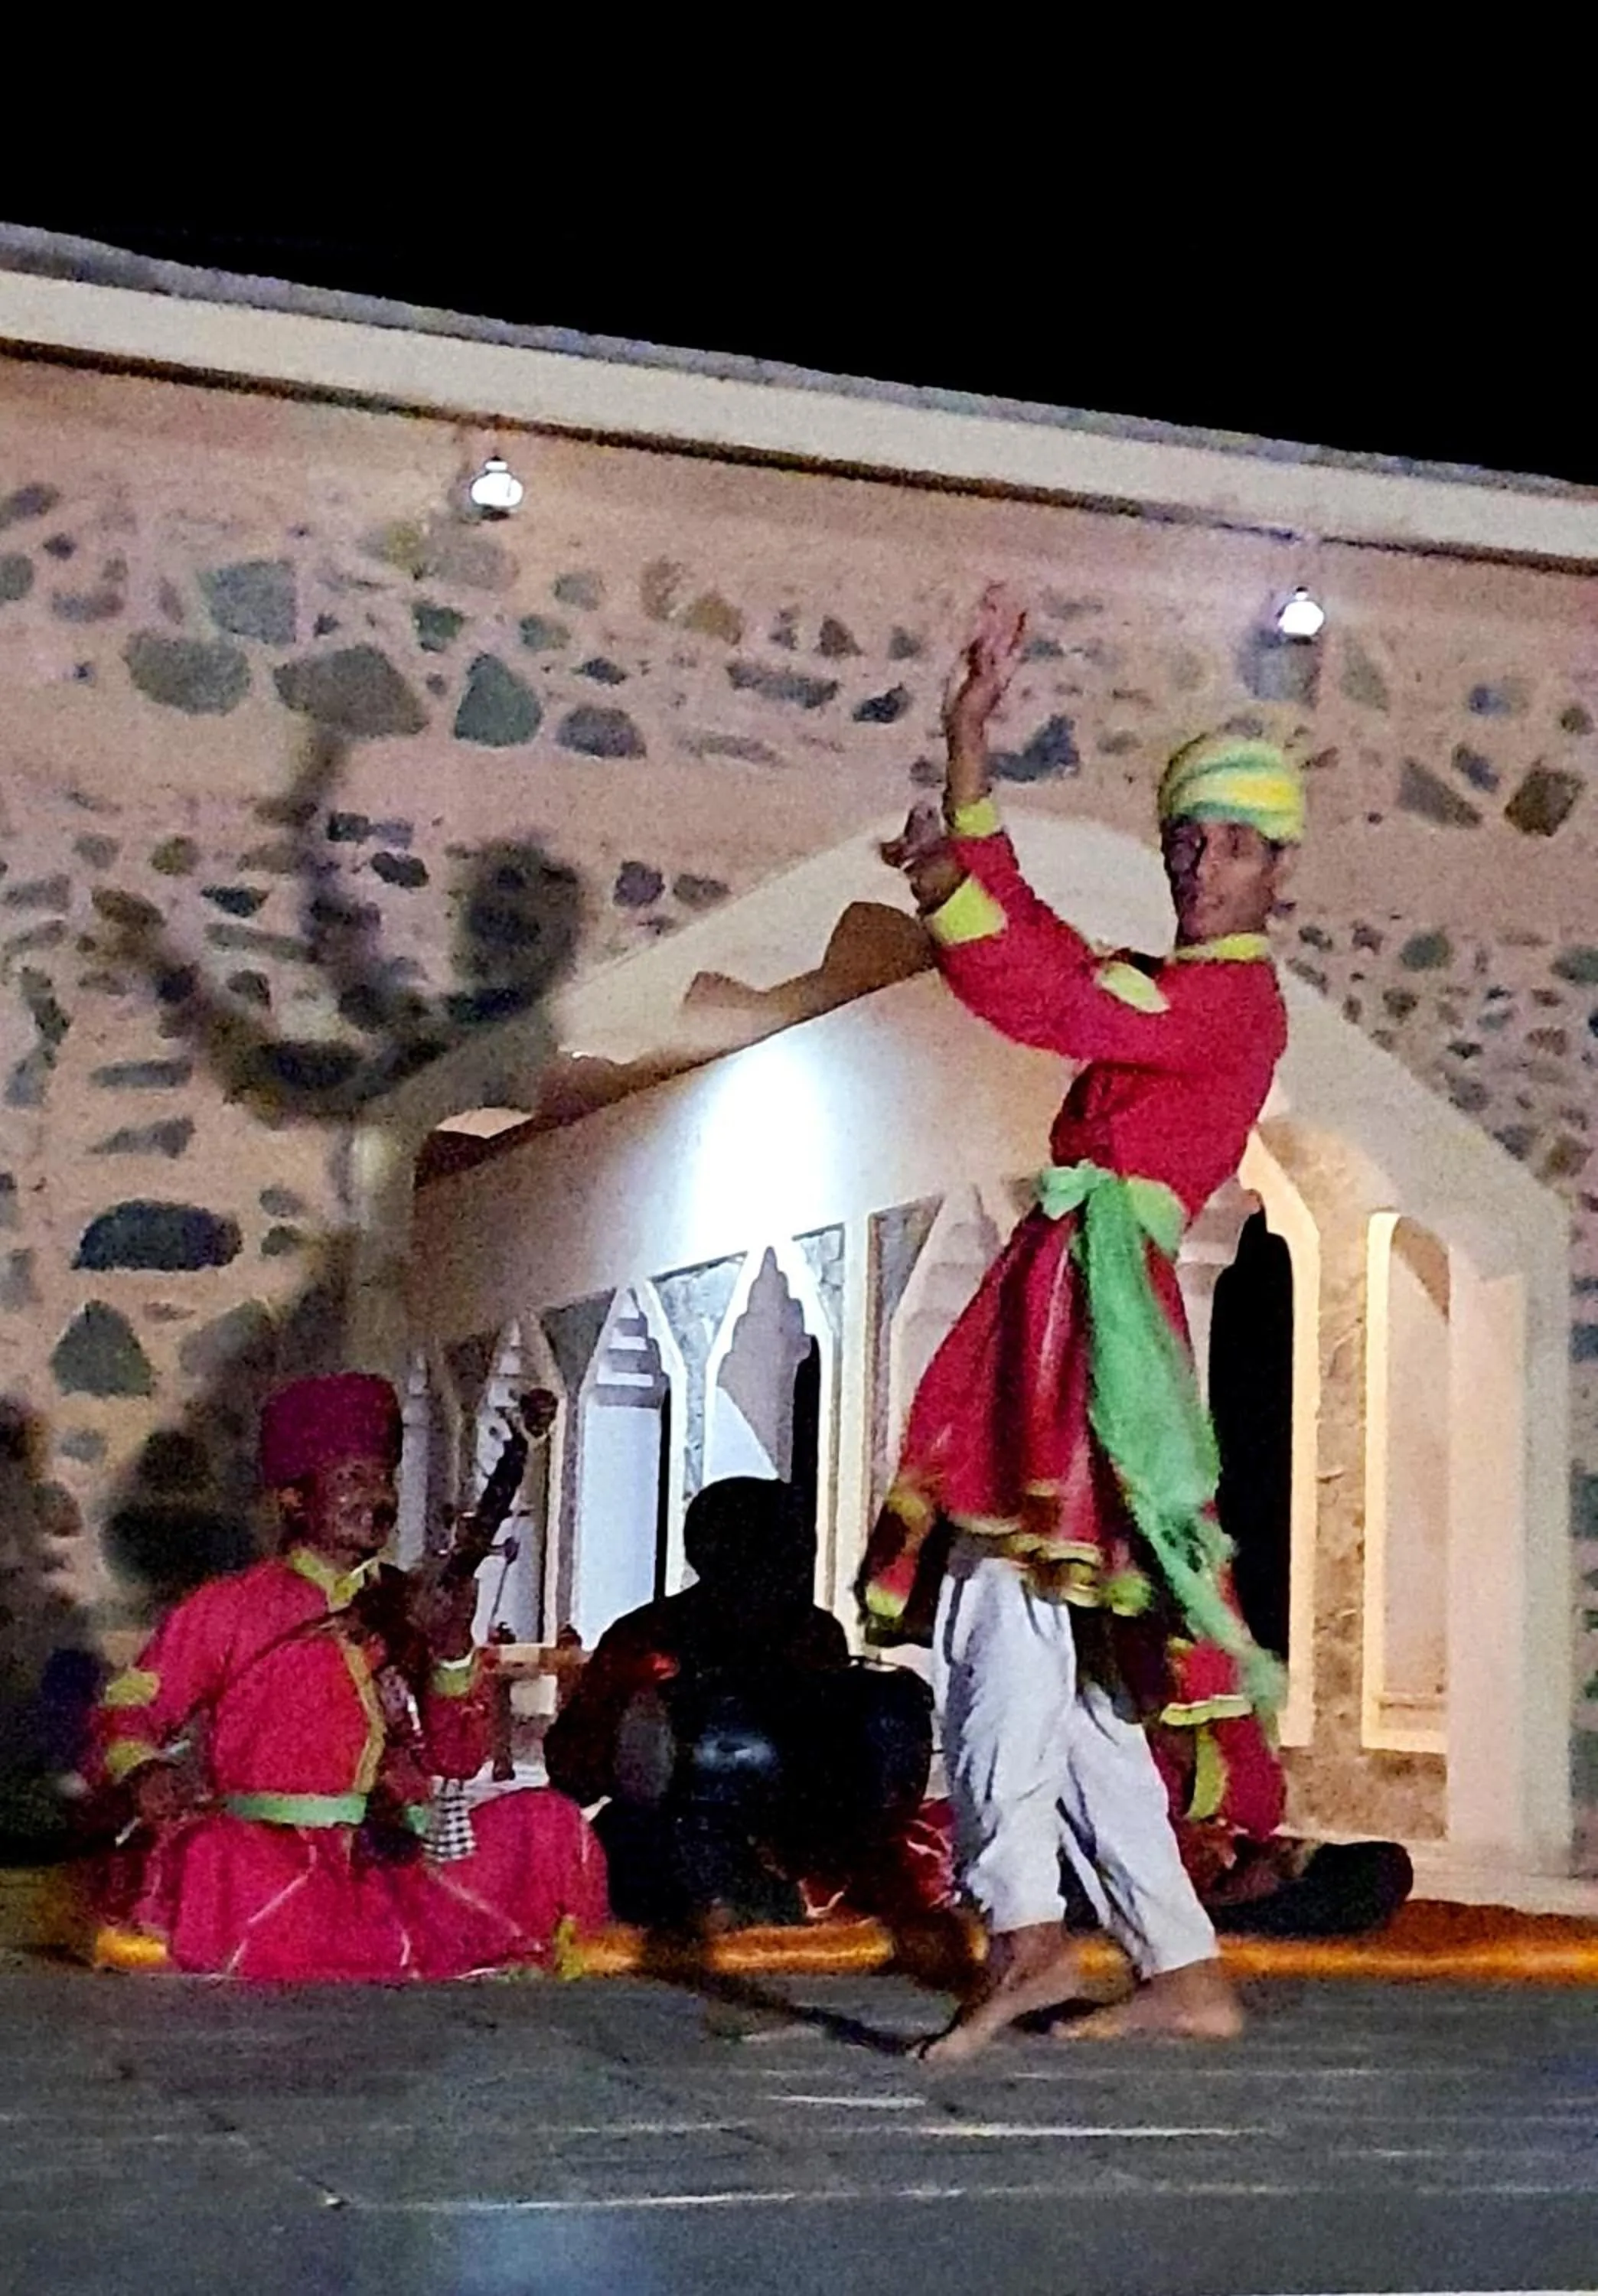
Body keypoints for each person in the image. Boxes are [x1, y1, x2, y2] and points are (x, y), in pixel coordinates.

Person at [859, 586, 1303, 2058]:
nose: (1198, 863)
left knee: (997, 1615)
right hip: (1068, 1315)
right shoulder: (1172, 988)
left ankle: (1023, 1929)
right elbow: (1054, 961)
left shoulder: (1227, 1007)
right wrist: (965, 748)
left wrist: (950, 880)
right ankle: (1179, 1967)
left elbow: (1050, 992)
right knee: (1072, 1659)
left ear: (1275, 870)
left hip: (1090, 1333)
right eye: (1183, 839)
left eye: (1229, 844)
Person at [90, 1371, 608, 1980]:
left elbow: (460, 1759)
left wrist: (450, 1649)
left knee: (547, 1824)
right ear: (294, 1499)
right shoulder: (228, 1607)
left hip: (399, 1854)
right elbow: (129, 1705)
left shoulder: (407, 1602)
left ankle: (373, 1941)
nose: (377, 1498)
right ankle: (399, 1947)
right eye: (351, 1480)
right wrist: (145, 1768)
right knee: (214, 1855)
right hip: (276, 1859)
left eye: (383, 1479)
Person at [545, 1477, 933, 1932]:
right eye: (778, 1549)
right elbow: (574, 1770)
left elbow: (573, 1770)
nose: (794, 1564)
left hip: (800, 1850)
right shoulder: (648, 1642)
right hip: (681, 1844)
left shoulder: (812, 1635)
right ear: (714, 1554)